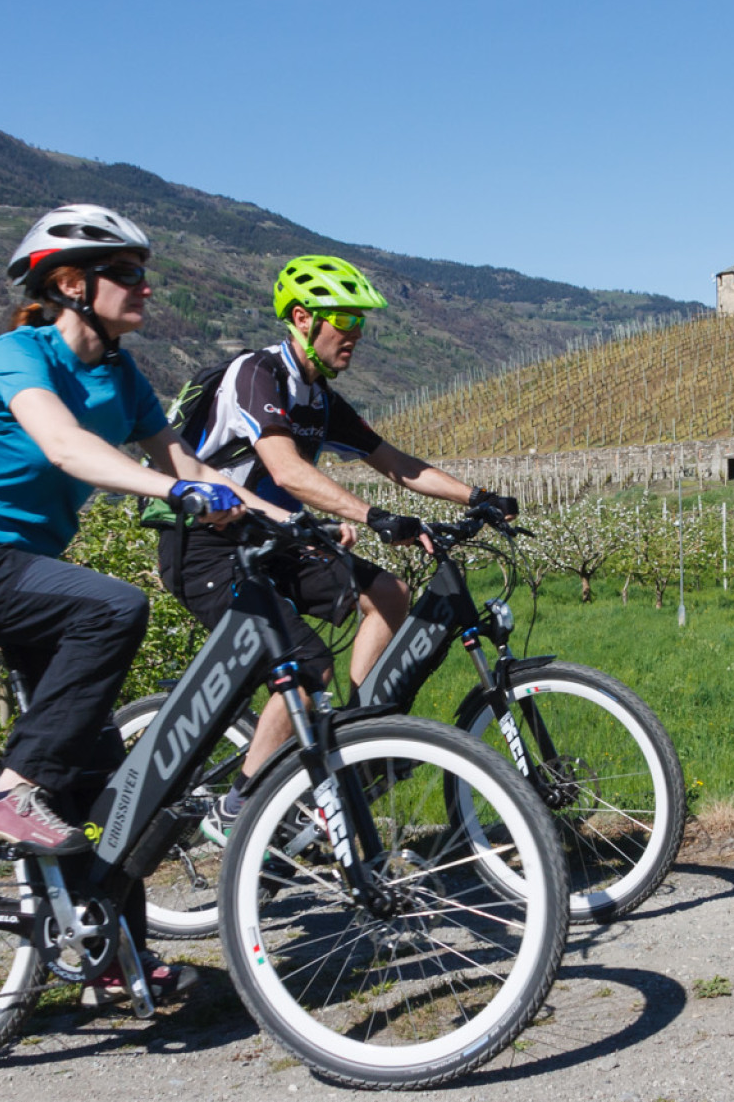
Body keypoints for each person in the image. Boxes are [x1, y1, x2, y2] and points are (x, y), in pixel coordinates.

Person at [0, 204, 265, 864]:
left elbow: (185, 461)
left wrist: (291, 520)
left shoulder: (121, 376)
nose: (145, 287)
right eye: (126, 272)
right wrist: (177, 492)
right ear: (72, 284)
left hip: (23, 574)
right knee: (117, 606)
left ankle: (113, 959)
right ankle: (8, 796)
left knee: (99, 789)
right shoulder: (18, 354)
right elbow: (66, 446)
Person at [157, 255, 518, 825]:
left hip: (273, 537)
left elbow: (394, 461)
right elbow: (286, 470)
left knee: (390, 594)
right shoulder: (258, 375)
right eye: (346, 321)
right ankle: (239, 807)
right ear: (303, 319)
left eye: (360, 324)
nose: (356, 336)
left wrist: (477, 497)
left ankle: (353, 737)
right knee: (307, 666)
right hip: (205, 544)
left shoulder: (319, 396)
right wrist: (374, 517)